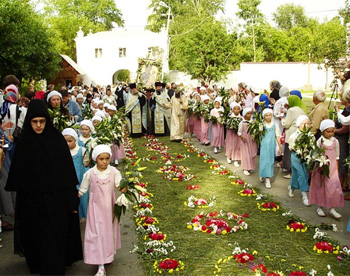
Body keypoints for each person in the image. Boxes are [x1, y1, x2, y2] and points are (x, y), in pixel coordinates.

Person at [5, 99, 82, 275]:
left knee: (54, 235)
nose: (38, 126)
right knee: (35, 235)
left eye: (42, 121)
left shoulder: (57, 141)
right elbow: (19, 176)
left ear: (47, 120)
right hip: (32, 202)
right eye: (34, 122)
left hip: (55, 201)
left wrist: (71, 200)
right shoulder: (24, 143)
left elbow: (67, 174)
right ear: (29, 121)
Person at [78, 145, 124, 276]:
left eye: (107, 158)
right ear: (95, 159)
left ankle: (107, 255)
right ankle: (100, 263)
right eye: (101, 159)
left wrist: (124, 188)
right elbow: (82, 189)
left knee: (107, 233)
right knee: (96, 234)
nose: (104, 162)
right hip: (95, 210)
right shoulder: (90, 173)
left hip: (109, 209)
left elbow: (118, 185)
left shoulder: (114, 172)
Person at [309, 119, 344, 219]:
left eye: (332, 131)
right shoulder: (320, 141)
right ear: (322, 131)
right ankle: (319, 206)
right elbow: (316, 154)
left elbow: (337, 156)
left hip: (332, 169)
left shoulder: (335, 141)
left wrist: (336, 169)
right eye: (328, 131)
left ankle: (332, 208)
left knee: (332, 188)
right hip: (321, 168)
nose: (330, 133)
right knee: (321, 187)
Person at [62, 128, 90, 219]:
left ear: (75, 140)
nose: (67, 144)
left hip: (80, 178)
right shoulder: (62, 152)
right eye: (65, 141)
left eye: (70, 141)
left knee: (82, 198)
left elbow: (86, 164)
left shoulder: (81, 150)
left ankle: (82, 215)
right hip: (67, 180)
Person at [281, 95, 307, 179]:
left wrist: (282, 119)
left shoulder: (291, 110)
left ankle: (291, 172)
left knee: (290, 154)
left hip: (292, 134)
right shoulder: (301, 109)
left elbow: (286, 124)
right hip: (300, 133)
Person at [288, 115, 312, 206]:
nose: (306, 125)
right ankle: (304, 196)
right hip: (296, 157)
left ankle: (292, 187)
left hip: (306, 158)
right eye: (304, 123)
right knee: (301, 174)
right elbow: (291, 147)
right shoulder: (294, 136)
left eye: (308, 123)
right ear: (299, 124)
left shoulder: (310, 136)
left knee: (303, 174)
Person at [259, 108, 282, 188]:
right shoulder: (262, 125)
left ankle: (267, 178)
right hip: (264, 145)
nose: (268, 117)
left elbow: (277, 136)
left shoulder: (275, 125)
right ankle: (263, 174)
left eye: (270, 115)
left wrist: (280, 147)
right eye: (266, 115)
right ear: (263, 116)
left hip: (271, 146)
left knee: (270, 161)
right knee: (264, 160)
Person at [238, 108, 257, 176]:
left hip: (252, 140)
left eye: (250, 113)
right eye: (248, 113)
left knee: (252, 153)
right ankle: (245, 168)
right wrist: (242, 137)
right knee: (246, 154)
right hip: (245, 141)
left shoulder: (253, 122)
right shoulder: (242, 123)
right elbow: (239, 132)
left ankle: (250, 166)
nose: (249, 115)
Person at [225, 102, 241, 167]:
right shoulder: (230, 117)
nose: (236, 110)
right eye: (235, 109)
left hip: (237, 134)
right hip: (231, 133)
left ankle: (236, 159)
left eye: (238, 109)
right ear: (232, 110)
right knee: (230, 144)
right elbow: (227, 125)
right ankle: (229, 156)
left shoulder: (241, 117)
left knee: (237, 146)